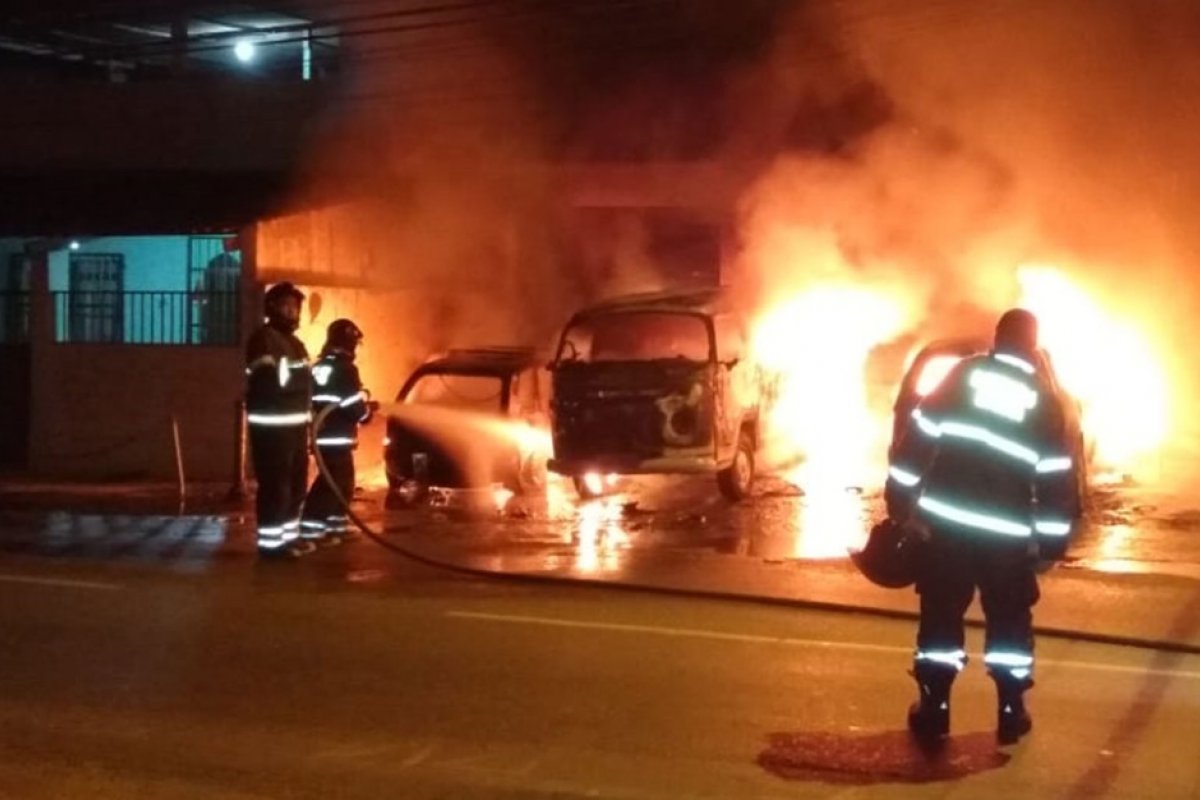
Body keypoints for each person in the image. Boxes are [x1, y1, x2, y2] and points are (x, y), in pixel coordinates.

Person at [884, 308, 1078, 744]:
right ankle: (1011, 711)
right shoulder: (1043, 400)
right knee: (1009, 623)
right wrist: (1051, 544)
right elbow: (1055, 478)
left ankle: (934, 708)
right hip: (1005, 539)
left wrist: (898, 501)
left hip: (947, 527)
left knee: (940, 617)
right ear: (1031, 347)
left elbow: (917, 438)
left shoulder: (961, 376)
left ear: (997, 338)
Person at [245, 282, 314, 558]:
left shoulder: (296, 343)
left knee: (296, 486)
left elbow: (305, 384)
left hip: (295, 427)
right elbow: (266, 380)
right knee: (276, 487)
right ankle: (272, 546)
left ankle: (289, 538)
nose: (292, 311)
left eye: (295, 306)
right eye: (286, 305)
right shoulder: (263, 339)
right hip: (273, 428)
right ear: (272, 307)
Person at [301, 318, 374, 544]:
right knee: (331, 484)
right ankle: (311, 529)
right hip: (337, 436)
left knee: (342, 483)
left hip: (322, 435)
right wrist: (366, 413)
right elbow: (351, 404)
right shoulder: (346, 369)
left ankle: (335, 526)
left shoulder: (318, 367)